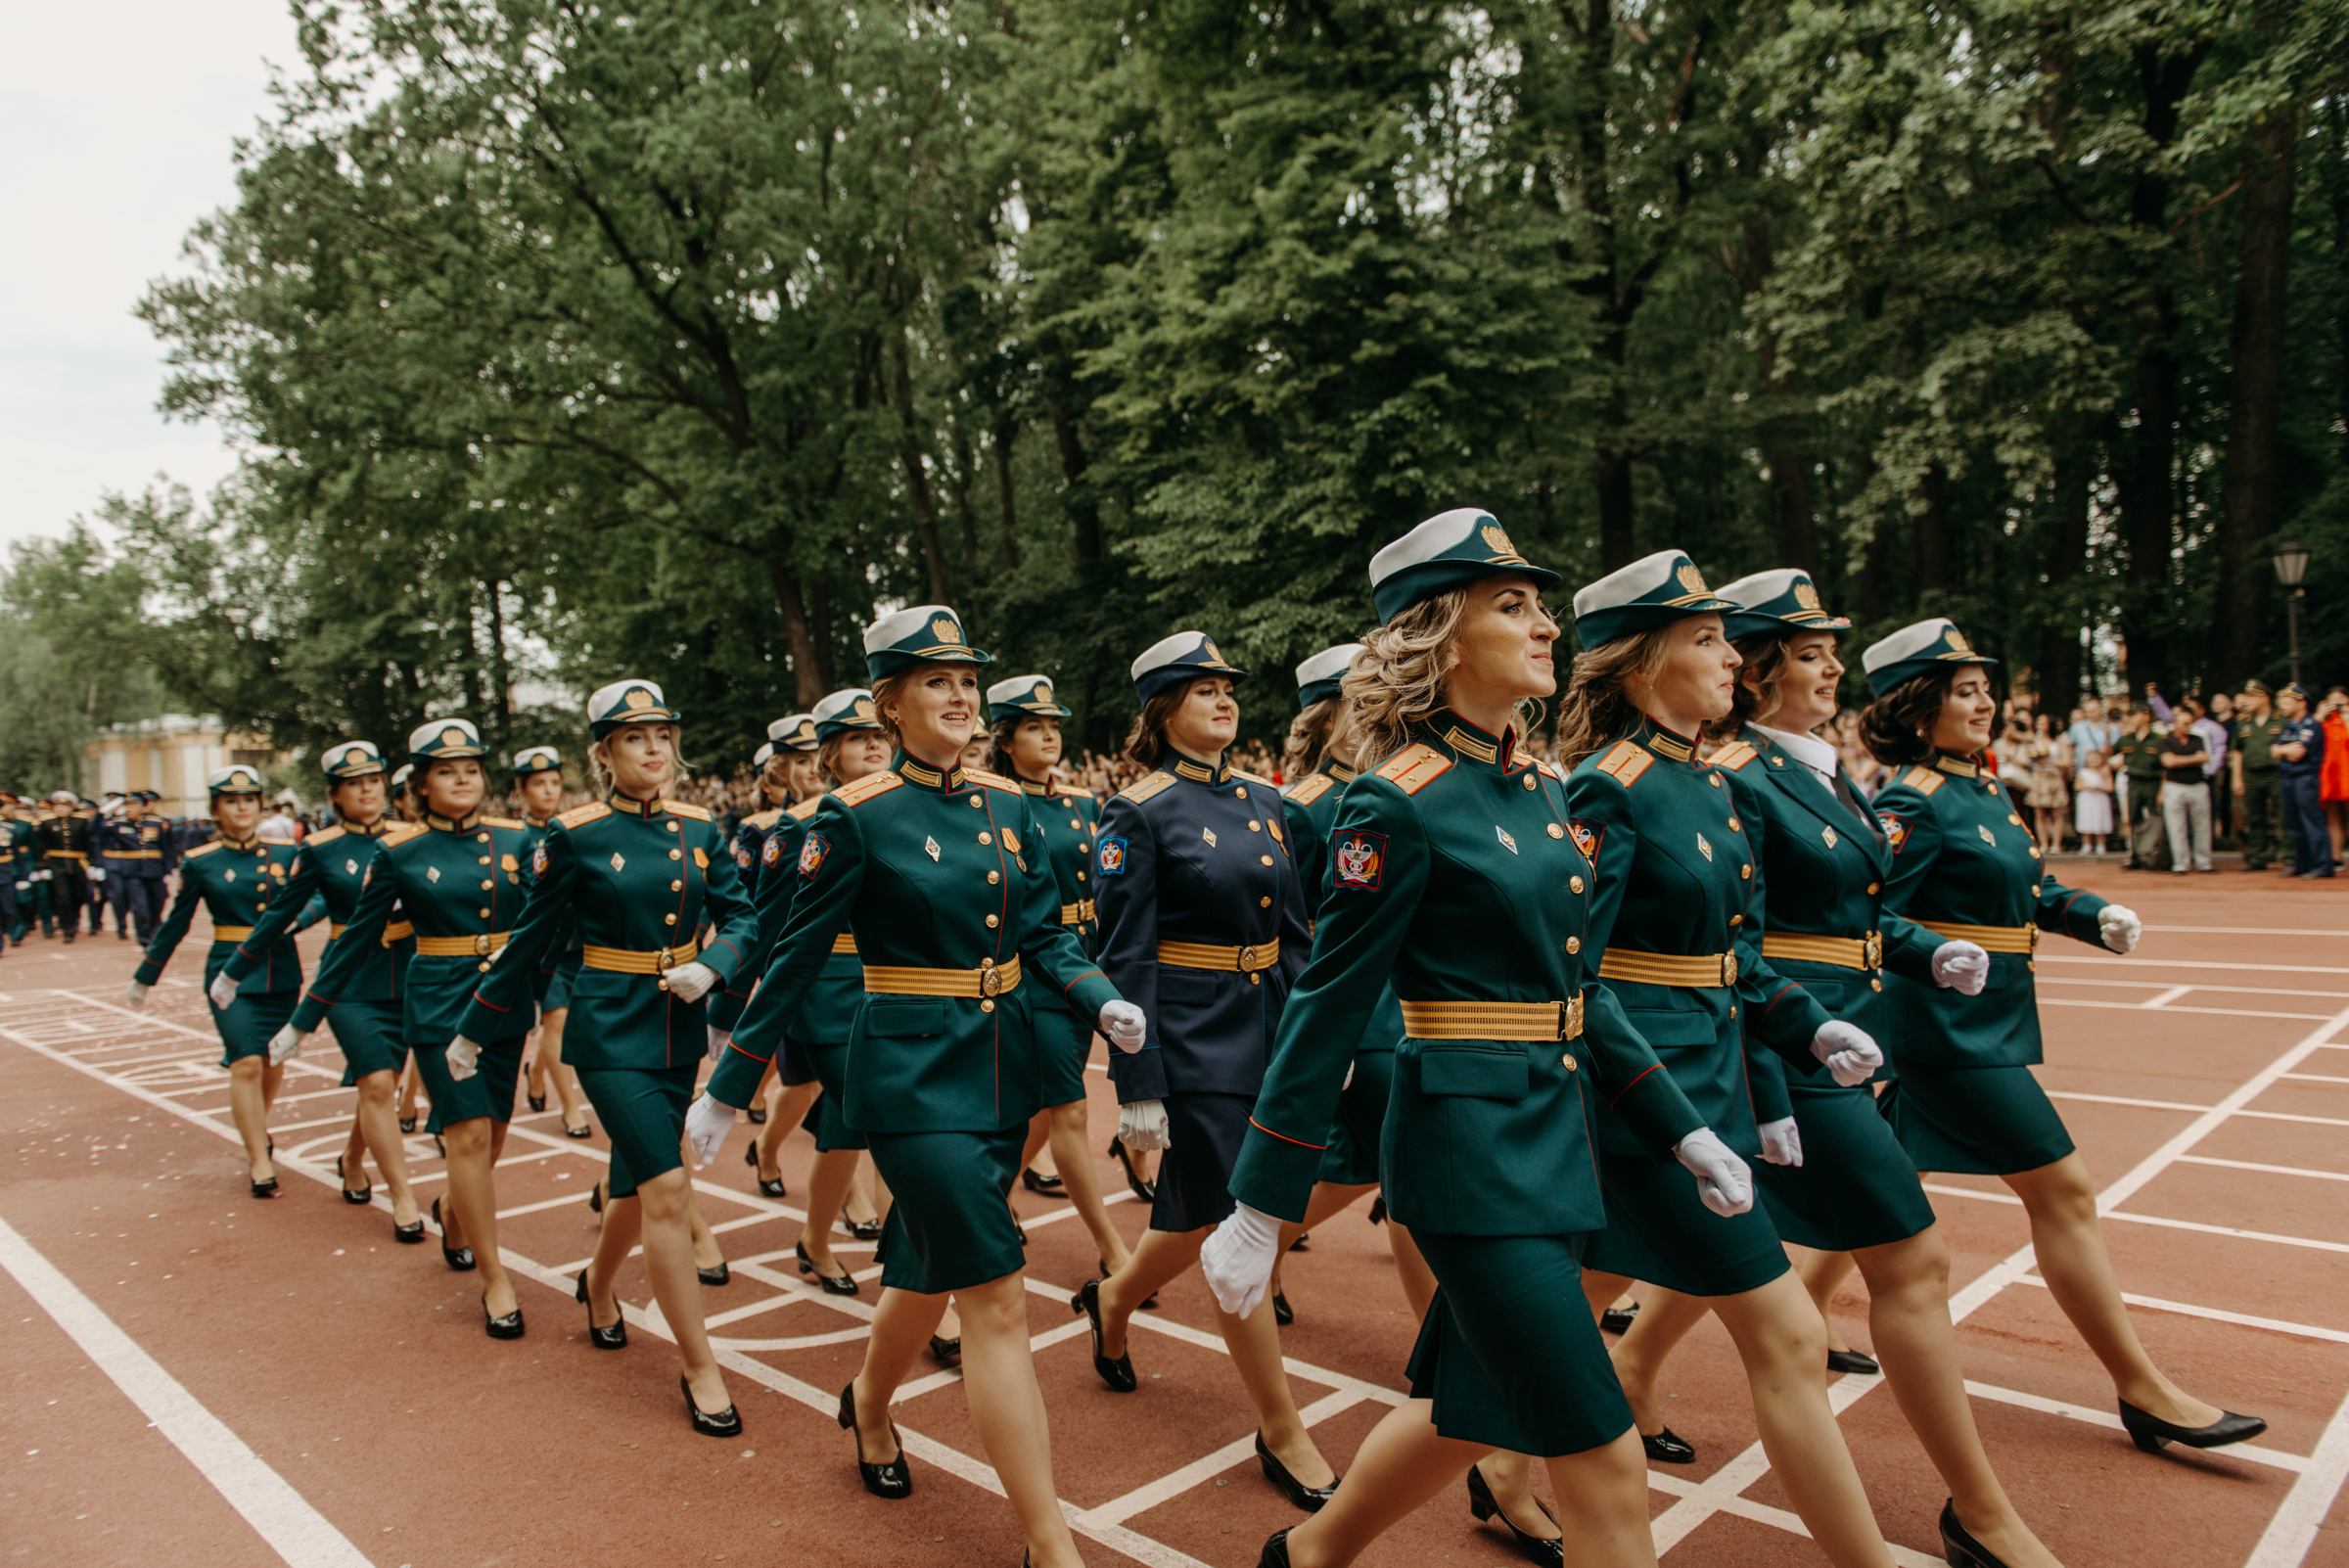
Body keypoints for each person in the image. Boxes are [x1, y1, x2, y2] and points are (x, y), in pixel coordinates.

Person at [1203, 511, 1742, 1568]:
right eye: (1513, 606)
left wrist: (1683, 1133)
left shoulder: (1541, 788)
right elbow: (1324, 1004)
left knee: (1481, 1409)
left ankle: (1312, 1553)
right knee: (1605, 1457)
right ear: (1440, 634)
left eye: (1539, 605)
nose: (1547, 625)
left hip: (1558, 1144)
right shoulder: (1393, 804)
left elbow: (1582, 991)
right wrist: (1262, 1203)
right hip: (1469, 1162)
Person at [1606, 570, 2065, 1567]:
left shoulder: (1805, 770)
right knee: (1905, 1262)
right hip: (1768, 1053)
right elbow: (1737, 944)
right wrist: (1783, 1069)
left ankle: (1585, 1396)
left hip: (1827, 1037)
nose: (1832, 671)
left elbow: (1845, 911)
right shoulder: (1720, 776)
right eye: (1809, 655)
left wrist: (1919, 952)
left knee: (1639, 1259)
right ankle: (1979, 1513)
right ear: (1762, 670)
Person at [690, 607, 1146, 1568]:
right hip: (905, 1074)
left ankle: (868, 1401)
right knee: (995, 1294)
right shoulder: (851, 817)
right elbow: (788, 955)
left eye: (969, 682)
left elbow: (1045, 937)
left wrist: (1101, 997)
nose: (961, 698)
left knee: (922, 1267)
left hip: (1003, 1062)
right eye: (937, 682)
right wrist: (729, 1089)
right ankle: (1050, 1542)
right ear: (891, 704)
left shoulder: (1006, 804)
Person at [1535, 550, 1901, 1568]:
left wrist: (1802, 1033)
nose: (1732, 656)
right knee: (1786, 1336)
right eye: (1705, 639)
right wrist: (1676, 1118)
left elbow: (1732, 952)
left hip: (1714, 1077)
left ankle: (1472, 1462)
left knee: (1556, 1323)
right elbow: (1583, 977)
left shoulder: (1703, 777)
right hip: (1647, 1096)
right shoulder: (1610, 788)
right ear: (1646, 666)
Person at [1853, 620, 2269, 1454]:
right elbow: (1866, 911)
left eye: (1984, 689)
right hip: (1947, 1031)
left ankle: (1647, 1350)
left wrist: (2091, 913)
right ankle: (2144, 1389)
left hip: (1992, 1018)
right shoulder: (1913, 799)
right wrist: (1936, 954)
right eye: (1963, 692)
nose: (1985, 703)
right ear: (1918, 707)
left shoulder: (1988, 790)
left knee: (1877, 1189)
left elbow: (2032, 888)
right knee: (2065, 1191)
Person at [1077, 628, 1341, 1514]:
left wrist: (1318, 1038)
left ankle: (1113, 1302)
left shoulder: (1266, 799)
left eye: (1228, 688)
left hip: (1264, 1021)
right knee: (1238, 1219)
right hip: (1190, 1036)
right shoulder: (1138, 810)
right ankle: (1281, 1425)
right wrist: (1139, 1080)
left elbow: (1297, 935)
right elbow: (1128, 955)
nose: (1225, 700)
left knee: (1199, 1215)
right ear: (1163, 711)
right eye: (1202, 691)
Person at [455, 681, 760, 1432]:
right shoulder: (575, 834)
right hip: (608, 1030)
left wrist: (717, 962)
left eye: (662, 736)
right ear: (604, 754)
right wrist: (474, 1027)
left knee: (634, 1180)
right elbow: (530, 940)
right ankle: (699, 1366)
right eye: (634, 738)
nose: (654, 750)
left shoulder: (700, 828)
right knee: (667, 1187)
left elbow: (746, 916)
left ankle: (596, 1282)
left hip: (678, 1029)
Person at [269, 719, 540, 1338]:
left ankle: (452, 1206)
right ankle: (495, 1279)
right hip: (441, 1003)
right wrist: (303, 1019)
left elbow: (547, 917)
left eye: (471, 769)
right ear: (419, 785)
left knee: (494, 1135)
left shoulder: (517, 839)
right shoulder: (400, 852)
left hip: (503, 1000)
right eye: (447, 771)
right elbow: (353, 942)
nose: (463, 779)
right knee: (467, 1137)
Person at [209, 742, 426, 1242]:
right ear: (335, 795)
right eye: (354, 783)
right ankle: (403, 1197)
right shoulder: (321, 848)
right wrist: (234, 970)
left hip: (412, 971)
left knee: (386, 1084)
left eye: (373, 780)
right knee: (375, 1083)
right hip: (349, 981)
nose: (367, 790)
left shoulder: (413, 837)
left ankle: (353, 1157)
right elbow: (280, 912)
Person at [720, 689, 892, 1296]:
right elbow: (766, 932)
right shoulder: (795, 830)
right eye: (855, 737)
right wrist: (729, 1020)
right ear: (828, 756)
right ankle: (914, 1277)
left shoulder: (905, 811)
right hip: (827, 993)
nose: (873, 744)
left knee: (857, 1129)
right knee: (881, 1128)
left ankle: (817, 1241)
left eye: (878, 733)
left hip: (898, 989)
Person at [983, 673, 1136, 1283]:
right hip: (1034, 970)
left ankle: (989, 1193)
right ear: (1006, 739)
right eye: (1033, 727)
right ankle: (1111, 1248)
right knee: (1069, 1110)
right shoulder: (991, 800)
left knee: (1044, 1113)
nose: (1049, 737)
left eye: (1053, 727)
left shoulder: (1081, 802)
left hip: (1086, 957)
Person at [125, 766, 320, 1198]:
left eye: (249, 799)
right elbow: (176, 924)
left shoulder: (289, 852)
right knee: (245, 1061)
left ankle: (256, 1131)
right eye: (232, 801)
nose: (242, 808)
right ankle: (258, 1157)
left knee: (272, 1061)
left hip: (281, 971)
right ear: (215, 809)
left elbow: (321, 894)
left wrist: (300, 920)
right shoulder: (201, 862)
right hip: (229, 975)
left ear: (260, 804)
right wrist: (145, 977)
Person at [735, 714, 825, 1192]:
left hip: (849, 969)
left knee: (822, 1087)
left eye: (818, 757)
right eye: (801, 761)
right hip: (794, 968)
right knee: (803, 1085)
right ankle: (769, 1149)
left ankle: (768, 1147)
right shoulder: (763, 830)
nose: (813, 769)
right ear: (778, 772)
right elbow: (750, 909)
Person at [512, 745, 593, 1139]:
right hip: (543, 947)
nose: (548, 791)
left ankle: (538, 1068)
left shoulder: (577, 829)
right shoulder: (512, 838)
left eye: (554, 783)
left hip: (580, 941)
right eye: (538, 783)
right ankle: (572, 1108)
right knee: (556, 1017)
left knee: (561, 1022)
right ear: (520, 790)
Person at [2277, 684, 2334, 878]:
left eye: (2287, 701)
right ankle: (2302, 864)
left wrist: (2281, 751)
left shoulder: (2312, 725)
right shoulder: (2288, 726)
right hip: (2288, 778)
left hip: (2305, 779)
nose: (2282, 705)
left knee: (2311, 822)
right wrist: (2282, 751)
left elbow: (2297, 753)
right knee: (2294, 825)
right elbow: (2275, 751)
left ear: (2302, 703)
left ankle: (2322, 866)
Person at [2234, 681, 2285, 871]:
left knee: (2283, 816)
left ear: (2265, 697)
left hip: (2276, 773)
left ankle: (2290, 858)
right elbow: (2237, 751)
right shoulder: (2243, 722)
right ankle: (2256, 857)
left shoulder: (2281, 719)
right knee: (2254, 818)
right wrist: (2236, 778)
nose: (2247, 700)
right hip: (2251, 774)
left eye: (2251, 696)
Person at [2155, 708, 2213, 873]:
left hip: (2198, 786)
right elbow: (2169, 762)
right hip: (2174, 787)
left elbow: (2205, 758)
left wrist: (2180, 760)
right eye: (2184, 723)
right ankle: (2180, 863)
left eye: (2190, 722)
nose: (2189, 726)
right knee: (2176, 827)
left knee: (2202, 826)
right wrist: (2194, 759)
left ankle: (2204, 862)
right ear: (2174, 724)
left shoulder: (2198, 739)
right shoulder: (2164, 741)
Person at [34, 791, 95, 945]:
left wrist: (93, 864)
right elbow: (41, 845)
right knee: (63, 897)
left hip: (78, 863)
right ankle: (68, 929)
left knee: (79, 895)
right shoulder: (46, 822)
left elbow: (89, 844)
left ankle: (74, 918)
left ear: (72, 808)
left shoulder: (81, 821)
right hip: (56, 863)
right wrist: (42, 866)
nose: (60, 809)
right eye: (58, 806)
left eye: (64, 806)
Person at [2113, 706, 2166, 870]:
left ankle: (2155, 856)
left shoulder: (2159, 739)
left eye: (2135, 715)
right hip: (2133, 782)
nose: (2132, 719)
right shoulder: (2126, 739)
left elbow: (2165, 768)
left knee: (2156, 820)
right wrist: (2109, 736)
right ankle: (2135, 856)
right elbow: (2108, 753)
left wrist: (2162, 791)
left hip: (2153, 782)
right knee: (2133, 820)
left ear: (2146, 716)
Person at [2024, 713, 2069, 854]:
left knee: (2056, 812)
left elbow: (2066, 761)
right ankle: (2044, 844)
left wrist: (2048, 761)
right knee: (2039, 813)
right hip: (2039, 776)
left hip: (2053, 776)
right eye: (2038, 722)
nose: (2040, 725)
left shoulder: (2059, 740)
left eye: (2043, 722)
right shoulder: (2033, 739)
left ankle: (2056, 844)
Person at [2322, 687, 2349, 861]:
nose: (2336, 702)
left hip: (2347, 774)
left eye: (2340, 698)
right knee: (2332, 818)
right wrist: (2319, 715)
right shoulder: (2324, 722)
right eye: (2332, 699)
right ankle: (2335, 857)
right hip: (2330, 775)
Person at [2074, 749, 2114, 854]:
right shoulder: (2083, 772)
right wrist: (2086, 787)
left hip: (2100, 798)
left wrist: (2098, 787)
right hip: (2086, 798)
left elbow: (2110, 787)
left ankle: (2101, 845)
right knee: (2086, 820)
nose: (2093, 762)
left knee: (2099, 819)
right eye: (2090, 759)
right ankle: (2087, 844)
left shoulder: (2105, 772)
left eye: (2096, 759)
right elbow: (2077, 786)